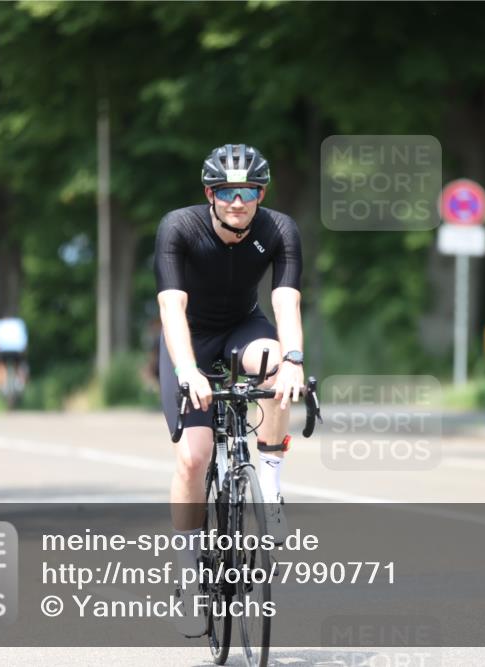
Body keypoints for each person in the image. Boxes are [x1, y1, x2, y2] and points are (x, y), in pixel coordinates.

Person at [155, 144, 304, 634]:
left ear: (260, 194)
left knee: (273, 363)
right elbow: (172, 307)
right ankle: (186, 564)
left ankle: (270, 480)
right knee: (194, 458)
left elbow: (285, 302)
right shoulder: (179, 227)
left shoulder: (279, 230)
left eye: (247, 192)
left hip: (244, 327)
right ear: (210, 194)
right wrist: (188, 371)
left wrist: (294, 362)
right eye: (226, 192)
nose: (237, 201)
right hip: (189, 339)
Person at [0, 316, 29, 398]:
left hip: (2, 351)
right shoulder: (19, 322)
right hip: (17, 350)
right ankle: (20, 382)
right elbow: (24, 342)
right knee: (20, 364)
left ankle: (2, 386)